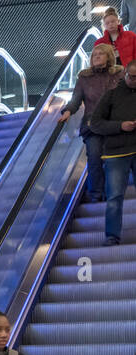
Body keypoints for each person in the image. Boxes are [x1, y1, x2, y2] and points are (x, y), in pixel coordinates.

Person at [61, 43, 123, 203]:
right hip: (92, 125)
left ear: (109, 56)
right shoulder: (84, 77)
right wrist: (67, 111)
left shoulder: (119, 74)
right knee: (94, 158)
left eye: (100, 54)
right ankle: (96, 195)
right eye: (94, 55)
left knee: (115, 159)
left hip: (115, 125)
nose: (96, 57)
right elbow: (76, 99)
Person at [83, 57, 136, 244]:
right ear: (125, 75)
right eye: (132, 77)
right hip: (116, 153)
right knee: (114, 197)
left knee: (115, 197)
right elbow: (95, 124)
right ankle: (112, 235)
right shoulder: (111, 95)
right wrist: (120, 126)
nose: (134, 80)